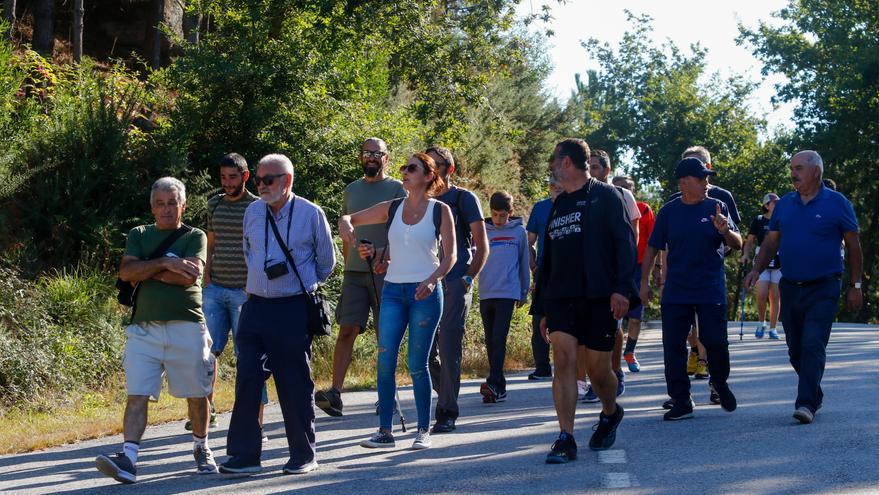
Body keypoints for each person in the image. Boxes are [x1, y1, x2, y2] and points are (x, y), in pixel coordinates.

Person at [219, 154, 335, 475]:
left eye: (267, 180)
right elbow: (248, 252)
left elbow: (327, 262)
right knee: (248, 379)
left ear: (287, 181)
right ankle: (245, 456)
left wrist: (298, 285)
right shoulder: (253, 212)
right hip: (255, 307)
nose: (260, 186)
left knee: (293, 382)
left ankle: (302, 454)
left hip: (292, 307)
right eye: (257, 180)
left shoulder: (311, 214)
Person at [96, 177, 215, 484]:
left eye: (172, 203)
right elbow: (126, 271)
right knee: (137, 394)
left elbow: (190, 276)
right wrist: (165, 263)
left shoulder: (194, 235)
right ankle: (129, 459)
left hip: (187, 325)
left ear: (183, 205)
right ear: (152, 207)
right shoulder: (139, 234)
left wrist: (146, 271)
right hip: (143, 329)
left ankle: (201, 446)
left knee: (197, 395)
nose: (166, 209)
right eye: (160, 204)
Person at [338, 152, 456, 450]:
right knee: (384, 361)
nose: (404, 172)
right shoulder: (392, 207)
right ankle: (384, 431)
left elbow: (451, 256)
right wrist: (349, 229)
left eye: (412, 169)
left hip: (424, 294)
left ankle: (422, 430)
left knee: (417, 364)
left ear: (429, 176)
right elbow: (350, 217)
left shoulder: (440, 210)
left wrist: (433, 279)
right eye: (403, 168)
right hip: (391, 290)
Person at [532, 138, 639, 463]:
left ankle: (610, 411)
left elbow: (625, 244)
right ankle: (565, 437)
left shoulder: (607, 196)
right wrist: (542, 308)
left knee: (598, 372)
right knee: (563, 362)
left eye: (554, 160)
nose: (551, 166)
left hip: (599, 296)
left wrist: (622, 289)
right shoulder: (558, 205)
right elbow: (547, 258)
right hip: (562, 297)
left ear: (566, 162)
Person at [744, 150, 862, 424]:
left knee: (812, 343)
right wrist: (756, 269)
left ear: (816, 172)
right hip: (791, 286)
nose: (793, 173)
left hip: (824, 285)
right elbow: (771, 242)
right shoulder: (784, 204)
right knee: (795, 349)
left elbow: (854, 246)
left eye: (798, 168)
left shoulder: (837, 203)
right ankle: (815, 392)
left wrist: (855, 284)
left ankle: (806, 403)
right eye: (791, 168)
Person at [641, 157, 742, 421]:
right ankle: (681, 400)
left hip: (710, 287)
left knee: (716, 341)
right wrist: (644, 282)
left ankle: (720, 383)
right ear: (685, 182)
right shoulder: (669, 212)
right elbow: (653, 247)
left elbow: (738, 242)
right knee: (673, 345)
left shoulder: (716, 206)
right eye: (703, 178)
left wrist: (725, 232)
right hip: (677, 290)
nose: (708, 182)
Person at [315, 138, 405, 417]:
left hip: (386, 272)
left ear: (387, 158)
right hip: (354, 272)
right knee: (346, 331)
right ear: (360, 158)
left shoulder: (397, 189)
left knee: (384, 335)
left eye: (377, 153)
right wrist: (346, 263)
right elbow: (346, 232)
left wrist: (389, 259)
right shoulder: (351, 189)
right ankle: (336, 393)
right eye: (367, 153)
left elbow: (403, 230)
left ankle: (386, 395)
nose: (371, 158)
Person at [200, 153, 268, 440]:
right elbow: (210, 244)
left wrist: (255, 288)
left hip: (245, 293)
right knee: (205, 353)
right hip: (215, 290)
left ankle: (257, 424)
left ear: (245, 176)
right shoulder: (214, 203)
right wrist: (205, 280)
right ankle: (206, 411)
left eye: (232, 177)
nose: (227, 183)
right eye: (223, 177)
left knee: (250, 357)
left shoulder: (257, 206)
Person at [425, 146, 489, 434]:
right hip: (424, 283)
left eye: (435, 165)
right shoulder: (418, 201)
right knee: (425, 352)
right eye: (426, 165)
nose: (430, 170)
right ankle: (446, 394)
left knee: (449, 347)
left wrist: (467, 278)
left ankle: (447, 411)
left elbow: (481, 243)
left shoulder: (463, 198)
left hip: (455, 282)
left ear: (448, 169)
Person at [666, 146, 742, 381]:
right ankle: (692, 362)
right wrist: (661, 273)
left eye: (700, 164)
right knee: (685, 331)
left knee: (712, 333)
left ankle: (714, 382)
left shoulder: (722, 196)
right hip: (681, 277)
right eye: (689, 165)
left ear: (708, 168)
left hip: (710, 273)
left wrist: (722, 239)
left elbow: (734, 235)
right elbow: (665, 243)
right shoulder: (673, 203)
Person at [587, 149, 640, 397]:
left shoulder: (622, 194)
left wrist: (624, 274)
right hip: (589, 271)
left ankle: (615, 371)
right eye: (589, 166)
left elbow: (633, 235)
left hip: (615, 271)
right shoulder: (582, 193)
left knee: (613, 321)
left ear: (607, 171)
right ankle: (593, 379)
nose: (591, 171)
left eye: (595, 167)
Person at [478, 191, 530, 403]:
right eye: (495, 214)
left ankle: (493, 382)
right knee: (490, 340)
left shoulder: (519, 233)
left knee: (499, 338)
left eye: (503, 215)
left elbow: (524, 263)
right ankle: (499, 386)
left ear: (510, 212)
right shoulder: (482, 230)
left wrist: (524, 291)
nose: (499, 219)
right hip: (486, 292)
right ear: (490, 212)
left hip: (508, 293)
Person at [612, 175, 656, 371]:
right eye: (618, 188)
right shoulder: (606, 208)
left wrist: (657, 271)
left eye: (626, 188)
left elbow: (656, 244)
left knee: (636, 315)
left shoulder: (645, 210)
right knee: (615, 316)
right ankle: (611, 357)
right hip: (614, 267)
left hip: (638, 267)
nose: (622, 192)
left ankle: (629, 352)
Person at [525, 179, 564, 380]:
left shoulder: (574, 204)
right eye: (552, 185)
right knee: (539, 318)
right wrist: (533, 266)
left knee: (564, 319)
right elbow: (528, 241)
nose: (556, 188)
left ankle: (566, 365)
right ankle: (542, 367)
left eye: (560, 184)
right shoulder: (540, 207)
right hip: (543, 273)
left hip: (568, 271)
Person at [741, 193, 782, 339]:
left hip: (779, 260)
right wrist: (745, 254)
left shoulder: (782, 219)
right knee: (762, 293)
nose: (777, 204)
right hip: (762, 259)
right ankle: (761, 323)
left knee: (775, 295)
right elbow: (750, 240)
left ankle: (773, 328)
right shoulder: (759, 220)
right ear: (766, 205)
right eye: (774, 202)